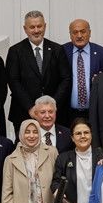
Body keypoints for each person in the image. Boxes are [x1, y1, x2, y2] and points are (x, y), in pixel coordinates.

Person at [6, 10, 69, 141]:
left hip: (53, 114)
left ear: (45, 26)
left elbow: (65, 79)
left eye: (39, 26)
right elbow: (13, 81)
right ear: (25, 29)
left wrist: (52, 106)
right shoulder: (15, 51)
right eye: (32, 27)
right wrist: (30, 107)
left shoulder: (57, 49)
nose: (36, 30)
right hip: (24, 112)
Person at [63, 18, 103, 124]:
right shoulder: (61, 51)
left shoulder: (102, 53)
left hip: (94, 112)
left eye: (83, 31)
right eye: (75, 32)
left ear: (90, 33)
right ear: (70, 35)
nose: (79, 35)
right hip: (67, 112)